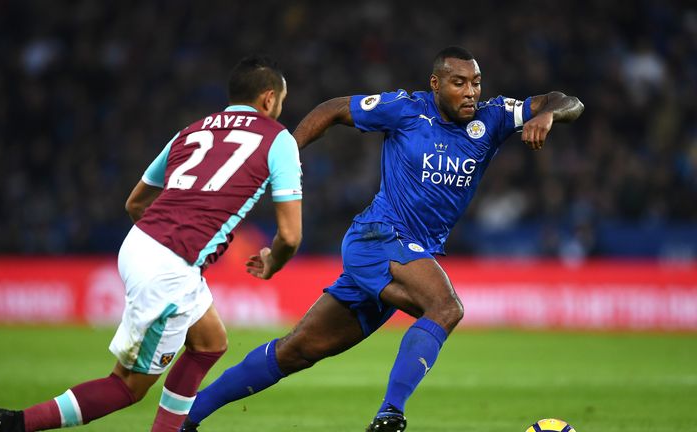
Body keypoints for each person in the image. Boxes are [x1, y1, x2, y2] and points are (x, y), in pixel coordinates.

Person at [179, 46, 584, 432]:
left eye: (476, 82)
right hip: (378, 237)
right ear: (435, 84)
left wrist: (547, 114)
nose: (471, 92)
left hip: (402, 254)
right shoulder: (406, 110)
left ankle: (184, 416)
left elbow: (567, 100)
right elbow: (333, 109)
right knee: (445, 308)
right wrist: (285, 150)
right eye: (459, 83)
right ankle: (390, 415)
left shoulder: (492, 119)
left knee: (296, 350)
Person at [0, 55, 303, 432]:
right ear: (268, 99)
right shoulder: (277, 138)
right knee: (127, 386)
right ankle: (17, 424)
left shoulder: (192, 130)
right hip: (170, 267)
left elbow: (135, 203)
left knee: (210, 343)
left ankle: (178, 426)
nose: (280, 109)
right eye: (281, 101)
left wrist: (159, 244)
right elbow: (291, 235)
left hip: (141, 243)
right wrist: (273, 261)